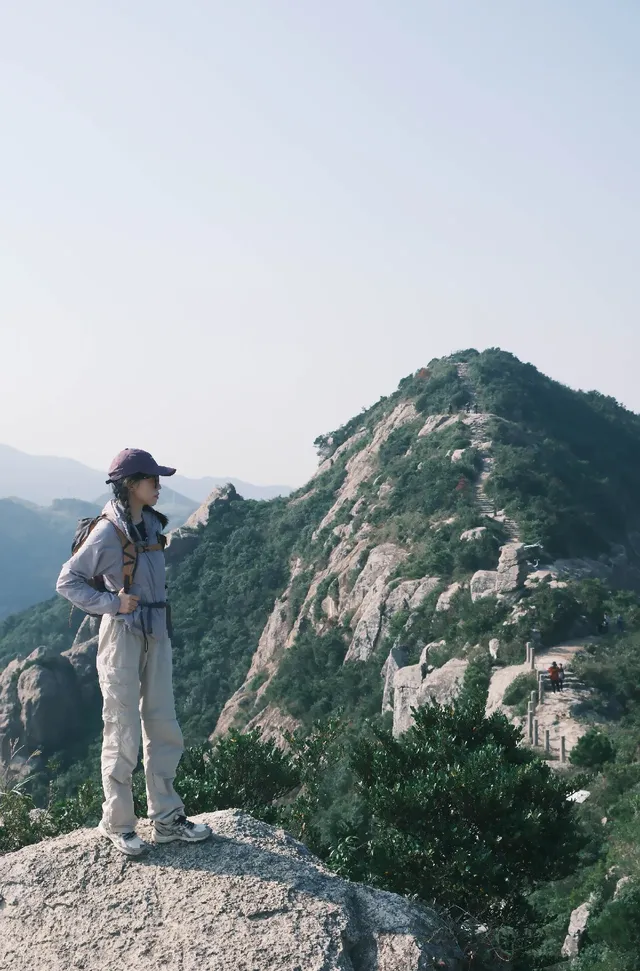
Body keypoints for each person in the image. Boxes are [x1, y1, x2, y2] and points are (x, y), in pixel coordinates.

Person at [57, 448, 212, 857]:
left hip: (156, 633)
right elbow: (67, 581)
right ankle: (118, 823)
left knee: (162, 724)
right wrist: (112, 603)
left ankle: (166, 819)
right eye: (152, 480)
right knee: (122, 729)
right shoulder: (109, 531)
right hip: (122, 635)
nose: (159, 486)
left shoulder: (149, 525)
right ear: (131, 485)